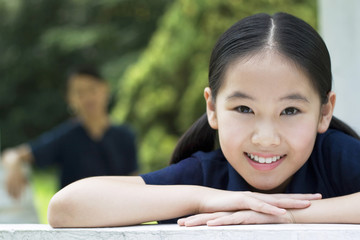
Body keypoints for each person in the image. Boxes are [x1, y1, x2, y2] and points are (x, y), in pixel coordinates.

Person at [47, 12, 360, 228]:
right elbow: (66, 206)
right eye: (244, 109)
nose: (266, 138)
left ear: (324, 112)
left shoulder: (333, 156)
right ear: (212, 108)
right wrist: (202, 198)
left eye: (290, 111)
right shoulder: (204, 176)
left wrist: (287, 217)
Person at [1, 65, 138, 199]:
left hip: (118, 214)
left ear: (105, 88)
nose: (88, 97)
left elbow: (134, 183)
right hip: (75, 216)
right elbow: (14, 154)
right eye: (79, 92)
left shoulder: (125, 136)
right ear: (70, 99)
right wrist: (14, 164)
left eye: (92, 89)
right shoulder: (65, 137)